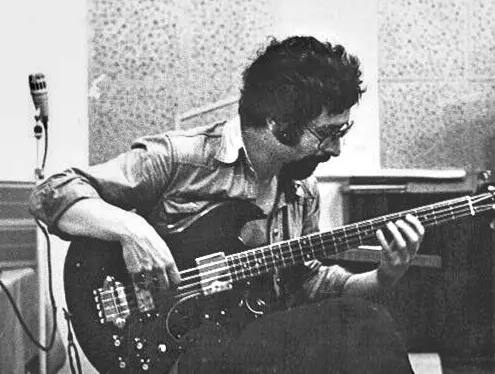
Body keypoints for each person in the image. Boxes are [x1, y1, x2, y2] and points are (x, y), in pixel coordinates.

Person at [29, 36, 425, 373]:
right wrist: (133, 232)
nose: (336, 148)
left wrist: (383, 276)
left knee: (360, 326)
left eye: (341, 132)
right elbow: (52, 192)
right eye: (326, 133)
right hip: (178, 350)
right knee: (362, 321)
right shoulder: (181, 158)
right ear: (278, 122)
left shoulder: (302, 190)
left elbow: (309, 283)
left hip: (247, 343)